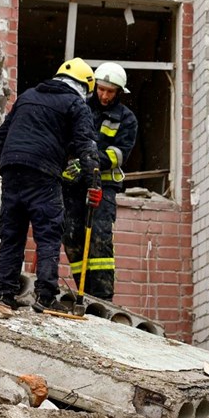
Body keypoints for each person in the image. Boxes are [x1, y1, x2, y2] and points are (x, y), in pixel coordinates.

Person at [0, 58, 99, 311]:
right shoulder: (75, 103)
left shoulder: (28, 96)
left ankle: (5, 292)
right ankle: (46, 296)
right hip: (43, 173)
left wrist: (9, 164)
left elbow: (1, 135)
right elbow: (87, 146)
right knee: (48, 233)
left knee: (12, 233)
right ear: (84, 86)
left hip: (12, 168)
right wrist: (93, 181)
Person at [62, 62, 138, 300]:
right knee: (71, 236)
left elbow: (118, 154)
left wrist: (88, 163)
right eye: (101, 89)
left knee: (99, 238)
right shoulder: (79, 107)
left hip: (103, 186)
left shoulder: (126, 119)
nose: (104, 95)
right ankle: (83, 291)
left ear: (119, 93)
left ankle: (102, 297)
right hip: (73, 186)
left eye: (110, 91)